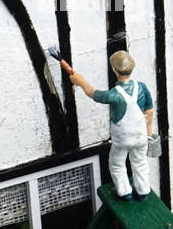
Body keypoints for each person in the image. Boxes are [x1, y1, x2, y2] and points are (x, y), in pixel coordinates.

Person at [60, 50, 154, 201]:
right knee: (140, 162)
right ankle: (143, 191)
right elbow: (149, 111)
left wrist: (80, 81)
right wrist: (149, 133)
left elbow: (92, 93)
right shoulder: (142, 87)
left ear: (114, 70)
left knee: (117, 164)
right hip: (141, 136)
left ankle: (124, 192)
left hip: (122, 139)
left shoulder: (113, 94)